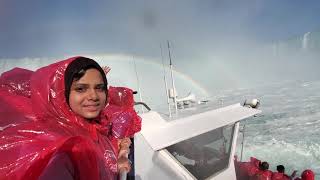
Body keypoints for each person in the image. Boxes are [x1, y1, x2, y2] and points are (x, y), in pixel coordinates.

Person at [0, 56, 141, 180]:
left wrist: (121, 155)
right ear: (64, 93)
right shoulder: (63, 150)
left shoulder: (98, 126)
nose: (93, 96)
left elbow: (115, 140)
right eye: (81, 89)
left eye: (99, 88)